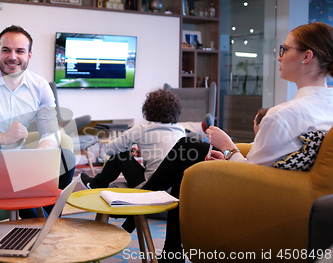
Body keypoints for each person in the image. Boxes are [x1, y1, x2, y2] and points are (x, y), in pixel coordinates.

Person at [133, 22, 333, 262]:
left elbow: (251, 176)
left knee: (189, 150)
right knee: (190, 150)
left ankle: (137, 208)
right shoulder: (326, 105)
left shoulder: (284, 114)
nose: (279, 56)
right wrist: (229, 153)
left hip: (265, 199)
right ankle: (166, 245)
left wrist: (228, 147)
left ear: (307, 56)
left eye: (284, 49)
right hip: (303, 195)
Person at [0, 25, 75, 218]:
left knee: (65, 157)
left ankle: (51, 220)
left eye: (20, 51)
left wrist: (42, 154)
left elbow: (50, 131)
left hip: (21, 161)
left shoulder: (40, 86)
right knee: (30, 206)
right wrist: (3, 138)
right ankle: (42, 228)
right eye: (6, 50)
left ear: (29, 55)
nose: (12, 57)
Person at [79, 88, 185, 189]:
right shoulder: (180, 130)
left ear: (148, 110)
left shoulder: (142, 129)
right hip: (174, 187)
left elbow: (110, 150)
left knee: (120, 154)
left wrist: (128, 151)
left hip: (151, 187)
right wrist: (140, 151)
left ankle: (95, 184)